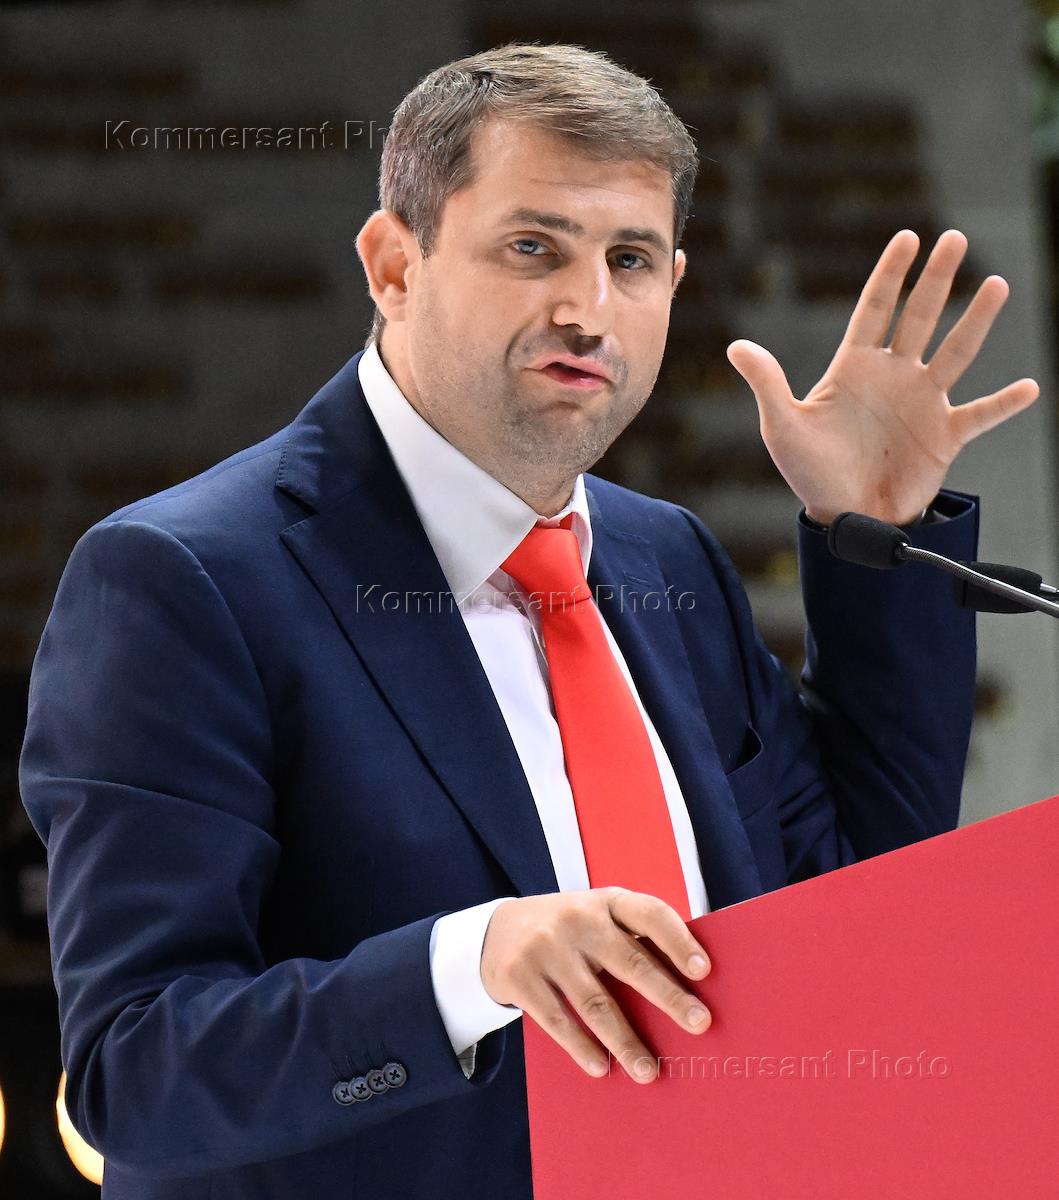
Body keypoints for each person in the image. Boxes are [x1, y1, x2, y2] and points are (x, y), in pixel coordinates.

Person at [18, 42, 1037, 1200]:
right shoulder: (181, 581)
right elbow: (137, 1076)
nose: (586, 309)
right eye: (533, 247)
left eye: (629, 260)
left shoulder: (665, 561)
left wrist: (874, 537)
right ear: (393, 266)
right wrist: (472, 965)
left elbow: (858, 915)